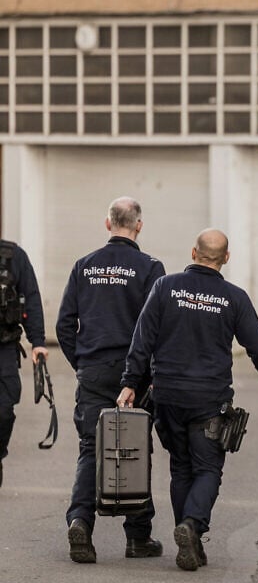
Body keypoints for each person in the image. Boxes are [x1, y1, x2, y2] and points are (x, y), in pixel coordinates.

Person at [117, 228, 258, 572]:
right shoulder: (233, 297)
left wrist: (131, 382)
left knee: (181, 467)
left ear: (194, 252)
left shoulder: (165, 288)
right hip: (209, 399)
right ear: (226, 258)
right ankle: (191, 526)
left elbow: (142, 337)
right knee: (207, 468)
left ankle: (187, 535)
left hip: (168, 396)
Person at [56, 197, 166, 563]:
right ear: (139, 226)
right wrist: (144, 375)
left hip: (94, 368)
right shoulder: (150, 268)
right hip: (133, 374)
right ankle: (137, 538)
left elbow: (64, 326)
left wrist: (83, 364)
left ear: (107, 224)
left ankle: (81, 524)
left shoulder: (83, 266)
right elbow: (156, 330)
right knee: (135, 449)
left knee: (91, 447)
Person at [0, 239, 47, 490]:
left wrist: (38, 341)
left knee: (4, 410)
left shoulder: (13, 256)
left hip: (4, 347)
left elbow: (31, 297)